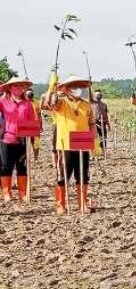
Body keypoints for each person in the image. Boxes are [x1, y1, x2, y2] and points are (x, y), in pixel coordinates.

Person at [46, 74, 95, 214]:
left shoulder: (86, 105)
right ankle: (61, 204)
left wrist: (94, 142)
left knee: (83, 175)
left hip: (83, 143)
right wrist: (51, 88)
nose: (77, 89)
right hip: (65, 144)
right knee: (63, 176)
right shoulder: (61, 103)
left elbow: (91, 124)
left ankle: (82, 203)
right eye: (73, 87)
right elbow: (48, 104)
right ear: (66, 89)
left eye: (79, 87)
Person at [0, 77, 36, 202]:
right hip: (7, 139)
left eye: (21, 86)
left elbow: (32, 121)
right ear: (9, 88)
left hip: (23, 140)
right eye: (15, 86)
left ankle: (22, 193)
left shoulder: (27, 104)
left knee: (22, 166)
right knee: (5, 166)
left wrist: (32, 136)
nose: (18, 89)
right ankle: (6, 192)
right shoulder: (3, 101)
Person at [91, 89, 110, 154]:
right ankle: (94, 151)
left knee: (103, 137)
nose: (99, 96)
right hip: (94, 122)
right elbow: (89, 95)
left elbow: (106, 115)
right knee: (94, 137)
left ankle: (103, 150)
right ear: (94, 95)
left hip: (102, 123)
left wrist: (108, 124)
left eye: (100, 95)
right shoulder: (92, 102)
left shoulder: (104, 105)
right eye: (97, 94)